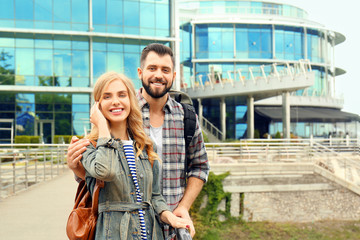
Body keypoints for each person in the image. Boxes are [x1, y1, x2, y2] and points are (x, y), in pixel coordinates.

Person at [67, 43, 210, 239]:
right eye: (152, 68)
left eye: (165, 70)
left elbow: (199, 167)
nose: (158, 74)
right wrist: (77, 168)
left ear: (174, 76)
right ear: (140, 72)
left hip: (169, 228)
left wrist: (182, 209)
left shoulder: (184, 118)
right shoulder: (120, 112)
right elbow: (101, 175)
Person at [81, 71, 194, 239]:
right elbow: (105, 172)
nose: (116, 101)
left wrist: (170, 217)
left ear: (130, 100)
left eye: (122, 95)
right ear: (97, 106)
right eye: (107, 97)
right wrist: (102, 128)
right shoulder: (90, 147)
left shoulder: (145, 145)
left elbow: (154, 197)